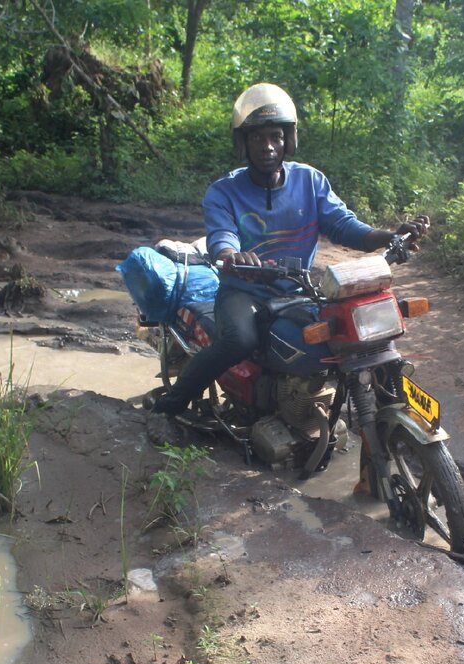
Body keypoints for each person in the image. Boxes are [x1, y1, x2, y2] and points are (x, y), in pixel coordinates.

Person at [152, 82, 429, 417]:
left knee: (351, 337)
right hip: (244, 291)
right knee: (239, 340)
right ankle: (168, 408)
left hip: (299, 289)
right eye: (258, 137)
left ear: (288, 140)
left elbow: (344, 226)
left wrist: (390, 235)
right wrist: (232, 257)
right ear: (243, 142)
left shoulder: (309, 181)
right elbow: (222, 237)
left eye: (275, 137)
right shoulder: (224, 192)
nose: (268, 146)